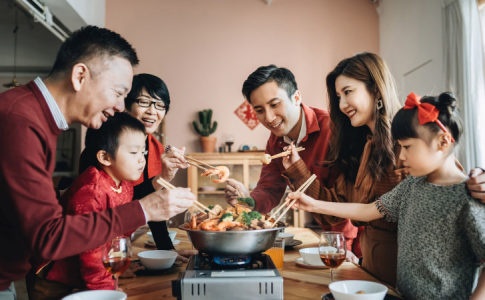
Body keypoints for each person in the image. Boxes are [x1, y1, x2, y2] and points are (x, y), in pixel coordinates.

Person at [0, 26, 195, 297]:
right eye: (118, 93)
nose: (118, 107)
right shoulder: (21, 121)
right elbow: (49, 237)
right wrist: (143, 210)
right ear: (80, 76)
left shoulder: (35, 117)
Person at [287, 92, 485, 300]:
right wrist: (313, 205)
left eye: (407, 147)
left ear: (443, 142)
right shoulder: (412, 185)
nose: (401, 156)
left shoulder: (469, 198)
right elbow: (368, 210)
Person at [223, 65, 360, 261]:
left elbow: (348, 200)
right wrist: (247, 200)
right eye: (260, 110)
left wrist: (343, 246)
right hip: (330, 238)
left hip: (356, 242)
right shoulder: (275, 141)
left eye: (275, 104)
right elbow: (269, 189)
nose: (269, 118)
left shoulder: (334, 130)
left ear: (296, 98)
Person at [27, 113, 149, 298]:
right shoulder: (91, 191)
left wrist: (114, 273)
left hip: (88, 275)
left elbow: (119, 235)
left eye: (143, 152)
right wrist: (105, 290)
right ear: (105, 157)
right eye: (134, 152)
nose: (141, 159)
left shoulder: (124, 184)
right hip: (55, 279)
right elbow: (90, 250)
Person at [124, 73, 195, 261]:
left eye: (160, 105)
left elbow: (154, 203)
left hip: (123, 240)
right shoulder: (112, 144)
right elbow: (116, 203)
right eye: (144, 102)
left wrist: (166, 249)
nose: (152, 111)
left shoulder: (155, 146)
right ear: (127, 104)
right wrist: (160, 180)